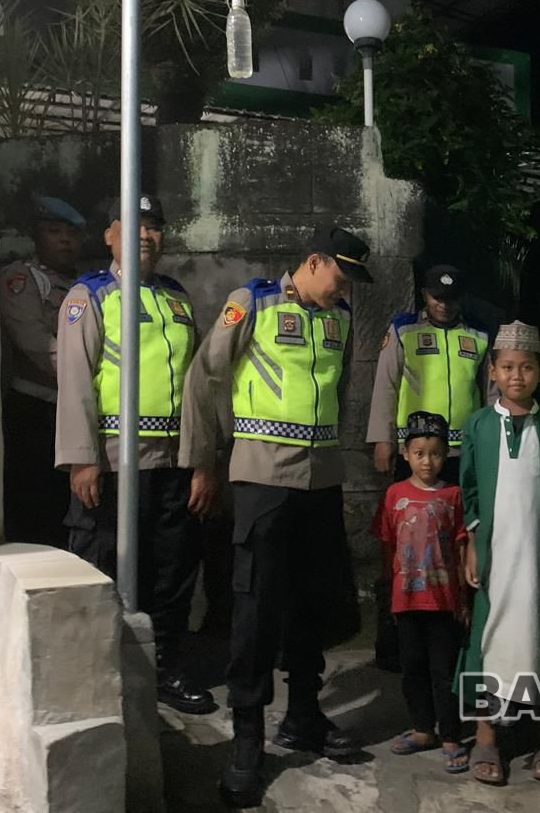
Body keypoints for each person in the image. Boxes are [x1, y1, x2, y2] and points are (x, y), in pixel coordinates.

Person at [179, 225, 373, 806]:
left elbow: (337, 392)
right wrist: (204, 461)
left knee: (314, 600)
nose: (344, 290)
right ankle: (247, 737)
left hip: (321, 480)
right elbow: (205, 377)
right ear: (313, 261)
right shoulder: (254, 303)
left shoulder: (338, 319)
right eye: (340, 276)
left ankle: (304, 715)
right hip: (263, 478)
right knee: (256, 606)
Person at [54, 193, 215, 716]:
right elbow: (75, 379)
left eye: (154, 227)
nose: (145, 235)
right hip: (114, 464)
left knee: (172, 571)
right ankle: (97, 676)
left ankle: (165, 669)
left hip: (172, 463)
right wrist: (82, 458)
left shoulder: (176, 298)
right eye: (133, 225)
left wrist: (201, 459)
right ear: (110, 235)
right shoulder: (90, 295)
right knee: (103, 567)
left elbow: (195, 385)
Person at [457, 321, 540, 786]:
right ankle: (486, 735)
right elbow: (470, 490)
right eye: (508, 367)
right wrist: (473, 546)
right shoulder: (478, 425)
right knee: (489, 637)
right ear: (492, 370)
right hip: (496, 558)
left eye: (527, 367)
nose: (517, 376)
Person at [366, 264, 489, 672]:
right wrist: (383, 439)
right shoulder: (403, 330)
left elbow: (488, 394)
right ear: (424, 295)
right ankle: (394, 643)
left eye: (451, 299)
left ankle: (456, 639)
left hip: (462, 459)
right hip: (414, 458)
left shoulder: (479, 335)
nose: (444, 305)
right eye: (437, 297)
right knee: (403, 551)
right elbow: (386, 384)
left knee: (458, 548)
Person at [379, 411, 470, 775]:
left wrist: (463, 597)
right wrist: (390, 592)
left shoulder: (453, 495)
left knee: (444, 670)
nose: (427, 461)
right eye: (419, 453)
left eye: (434, 454)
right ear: (406, 454)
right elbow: (387, 544)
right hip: (406, 600)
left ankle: (450, 735)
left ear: (446, 455)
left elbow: (461, 546)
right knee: (412, 668)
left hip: (443, 601)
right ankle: (422, 728)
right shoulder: (394, 495)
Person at [0, 196, 85, 548]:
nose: (64, 240)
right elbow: (36, 344)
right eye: (54, 231)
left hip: (73, 409)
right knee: (35, 512)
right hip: (34, 411)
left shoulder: (87, 285)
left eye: (71, 233)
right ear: (36, 236)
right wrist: (88, 383)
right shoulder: (23, 279)